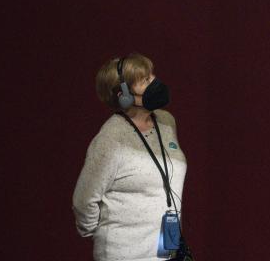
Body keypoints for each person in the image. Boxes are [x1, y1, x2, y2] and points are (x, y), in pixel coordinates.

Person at [72, 53, 186, 261]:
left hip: (165, 251)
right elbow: (84, 200)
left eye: (151, 75)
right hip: (125, 255)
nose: (154, 82)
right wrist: (107, 235)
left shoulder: (166, 122)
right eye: (144, 80)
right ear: (123, 94)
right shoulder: (111, 139)